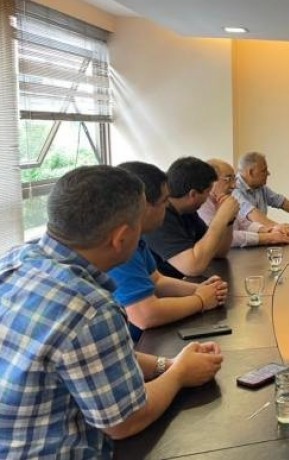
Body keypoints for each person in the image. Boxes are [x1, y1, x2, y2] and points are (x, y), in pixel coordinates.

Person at [0, 166, 223, 458]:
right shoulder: (92, 309)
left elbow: (90, 357)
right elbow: (124, 421)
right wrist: (180, 374)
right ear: (121, 238)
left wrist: (166, 364)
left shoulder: (15, 259)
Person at [108, 162, 230, 342]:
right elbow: (145, 315)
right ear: (143, 206)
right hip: (137, 342)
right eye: (164, 201)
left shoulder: (137, 239)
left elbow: (157, 280)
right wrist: (201, 300)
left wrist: (201, 289)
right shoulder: (120, 246)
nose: (167, 207)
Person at [144, 156, 237, 277]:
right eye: (208, 192)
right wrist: (221, 217)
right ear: (193, 194)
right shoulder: (160, 216)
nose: (209, 197)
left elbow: (219, 252)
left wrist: (229, 220)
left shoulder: (188, 212)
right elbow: (192, 267)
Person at [201, 159, 289, 247]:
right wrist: (268, 238)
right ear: (211, 181)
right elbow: (222, 238)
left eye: (234, 179)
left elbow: (243, 223)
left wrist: (269, 230)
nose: (234, 186)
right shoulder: (202, 205)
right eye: (228, 179)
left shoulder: (225, 198)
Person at [234, 151, 289, 227]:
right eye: (264, 170)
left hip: (261, 235)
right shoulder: (234, 189)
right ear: (251, 172)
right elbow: (251, 213)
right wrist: (279, 228)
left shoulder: (259, 186)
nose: (268, 173)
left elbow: (280, 201)